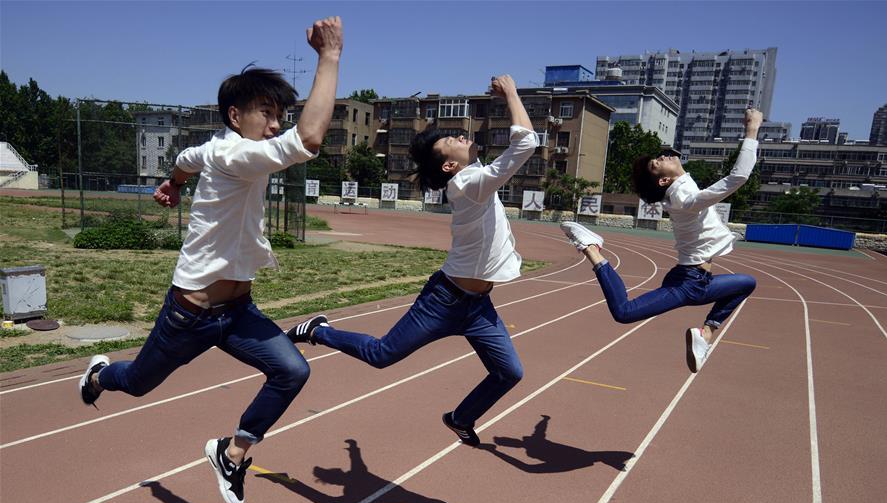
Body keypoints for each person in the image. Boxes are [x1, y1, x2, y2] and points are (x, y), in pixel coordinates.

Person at [77, 16, 344, 503]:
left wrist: (173, 184)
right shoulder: (236, 156)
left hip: (238, 312)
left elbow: (184, 156)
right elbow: (308, 140)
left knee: (292, 371)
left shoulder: (215, 150)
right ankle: (98, 375)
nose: (276, 123)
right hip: (191, 315)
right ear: (234, 115)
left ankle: (232, 451)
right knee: (136, 383)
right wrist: (329, 57)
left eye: (280, 113)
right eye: (267, 112)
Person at [288, 75, 538, 446]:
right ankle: (318, 331)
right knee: (381, 354)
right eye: (452, 141)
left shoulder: (478, 179)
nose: (461, 137)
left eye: (457, 135)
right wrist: (512, 94)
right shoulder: (468, 185)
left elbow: (521, 145)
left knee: (509, 372)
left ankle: (460, 417)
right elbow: (527, 143)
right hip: (444, 302)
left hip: (478, 306)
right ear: (450, 167)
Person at [560, 108, 763, 372]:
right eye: (657, 162)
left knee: (747, 283)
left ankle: (706, 336)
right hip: (688, 284)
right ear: (665, 179)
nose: (663, 156)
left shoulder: (682, 192)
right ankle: (591, 248)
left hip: (698, 282)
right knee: (623, 312)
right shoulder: (683, 198)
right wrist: (751, 131)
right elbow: (737, 178)